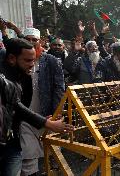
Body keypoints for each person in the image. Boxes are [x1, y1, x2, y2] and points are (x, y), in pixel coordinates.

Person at [0, 38, 73, 176]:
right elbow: (17, 105)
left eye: (34, 60)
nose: (32, 65)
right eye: (28, 61)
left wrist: (43, 120)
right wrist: (47, 123)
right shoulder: (5, 80)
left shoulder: (24, 74)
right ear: (11, 58)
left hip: (13, 138)